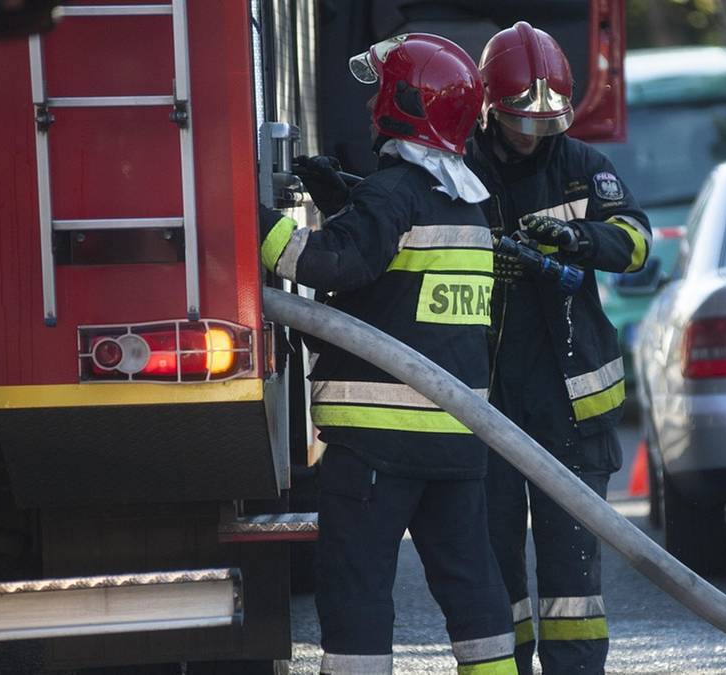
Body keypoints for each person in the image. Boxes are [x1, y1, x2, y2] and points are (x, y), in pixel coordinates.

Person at [258, 33, 515, 675]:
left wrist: (253, 220)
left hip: (378, 442)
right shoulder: (469, 204)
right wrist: (345, 197)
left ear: (400, 104)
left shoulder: (393, 194)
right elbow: (403, 283)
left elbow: (335, 262)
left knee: (357, 590)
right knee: (473, 586)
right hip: (456, 440)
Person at [465, 22, 651, 674]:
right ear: (490, 105)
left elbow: (635, 241)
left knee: (573, 575)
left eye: (546, 119)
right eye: (521, 119)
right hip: (485, 406)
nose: (534, 132)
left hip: (571, 412)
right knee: (495, 569)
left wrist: (578, 242)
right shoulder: (460, 169)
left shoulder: (581, 168)